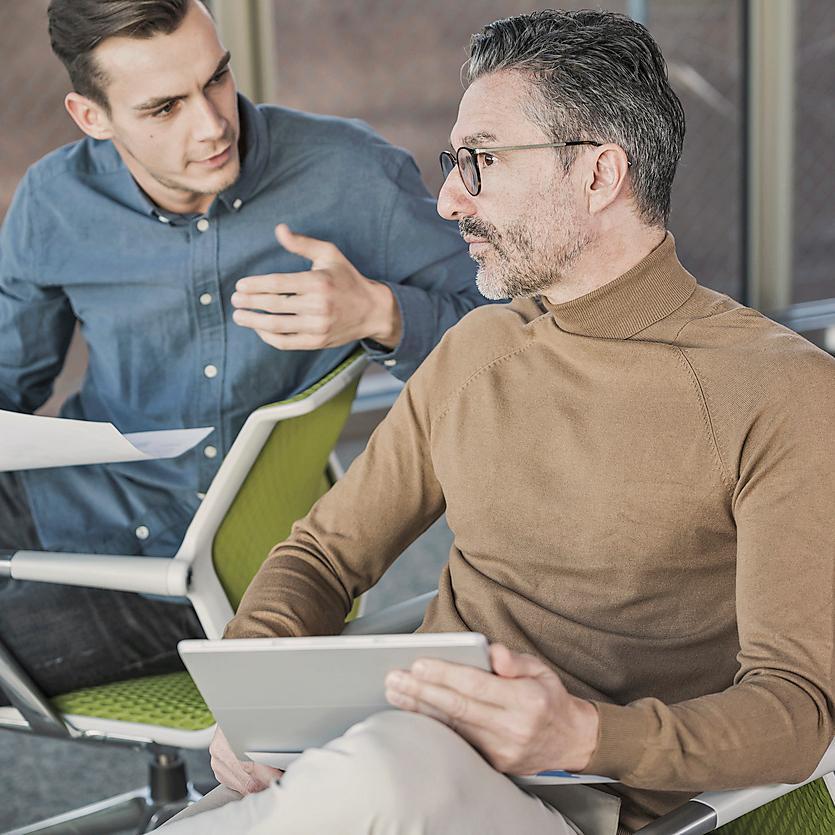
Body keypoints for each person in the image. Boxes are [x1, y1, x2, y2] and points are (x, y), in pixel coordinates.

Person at [166, 8, 835, 835]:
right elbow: (323, 555)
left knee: (378, 775)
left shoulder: (780, 391)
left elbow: (796, 711)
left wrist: (585, 732)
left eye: (480, 162)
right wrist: (251, 693)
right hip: (377, 758)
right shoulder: (476, 349)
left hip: (564, 801)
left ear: (597, 175)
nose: (447, 198)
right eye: (455, 163)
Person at [0, 0, 482, 704]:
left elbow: (516, 337)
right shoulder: (54, 202)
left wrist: (379, 312)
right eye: (164, 108)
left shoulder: (348, 173)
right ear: (91, 118)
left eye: (216, 78)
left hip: (221, 562)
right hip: (75, 491)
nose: (213, 124)